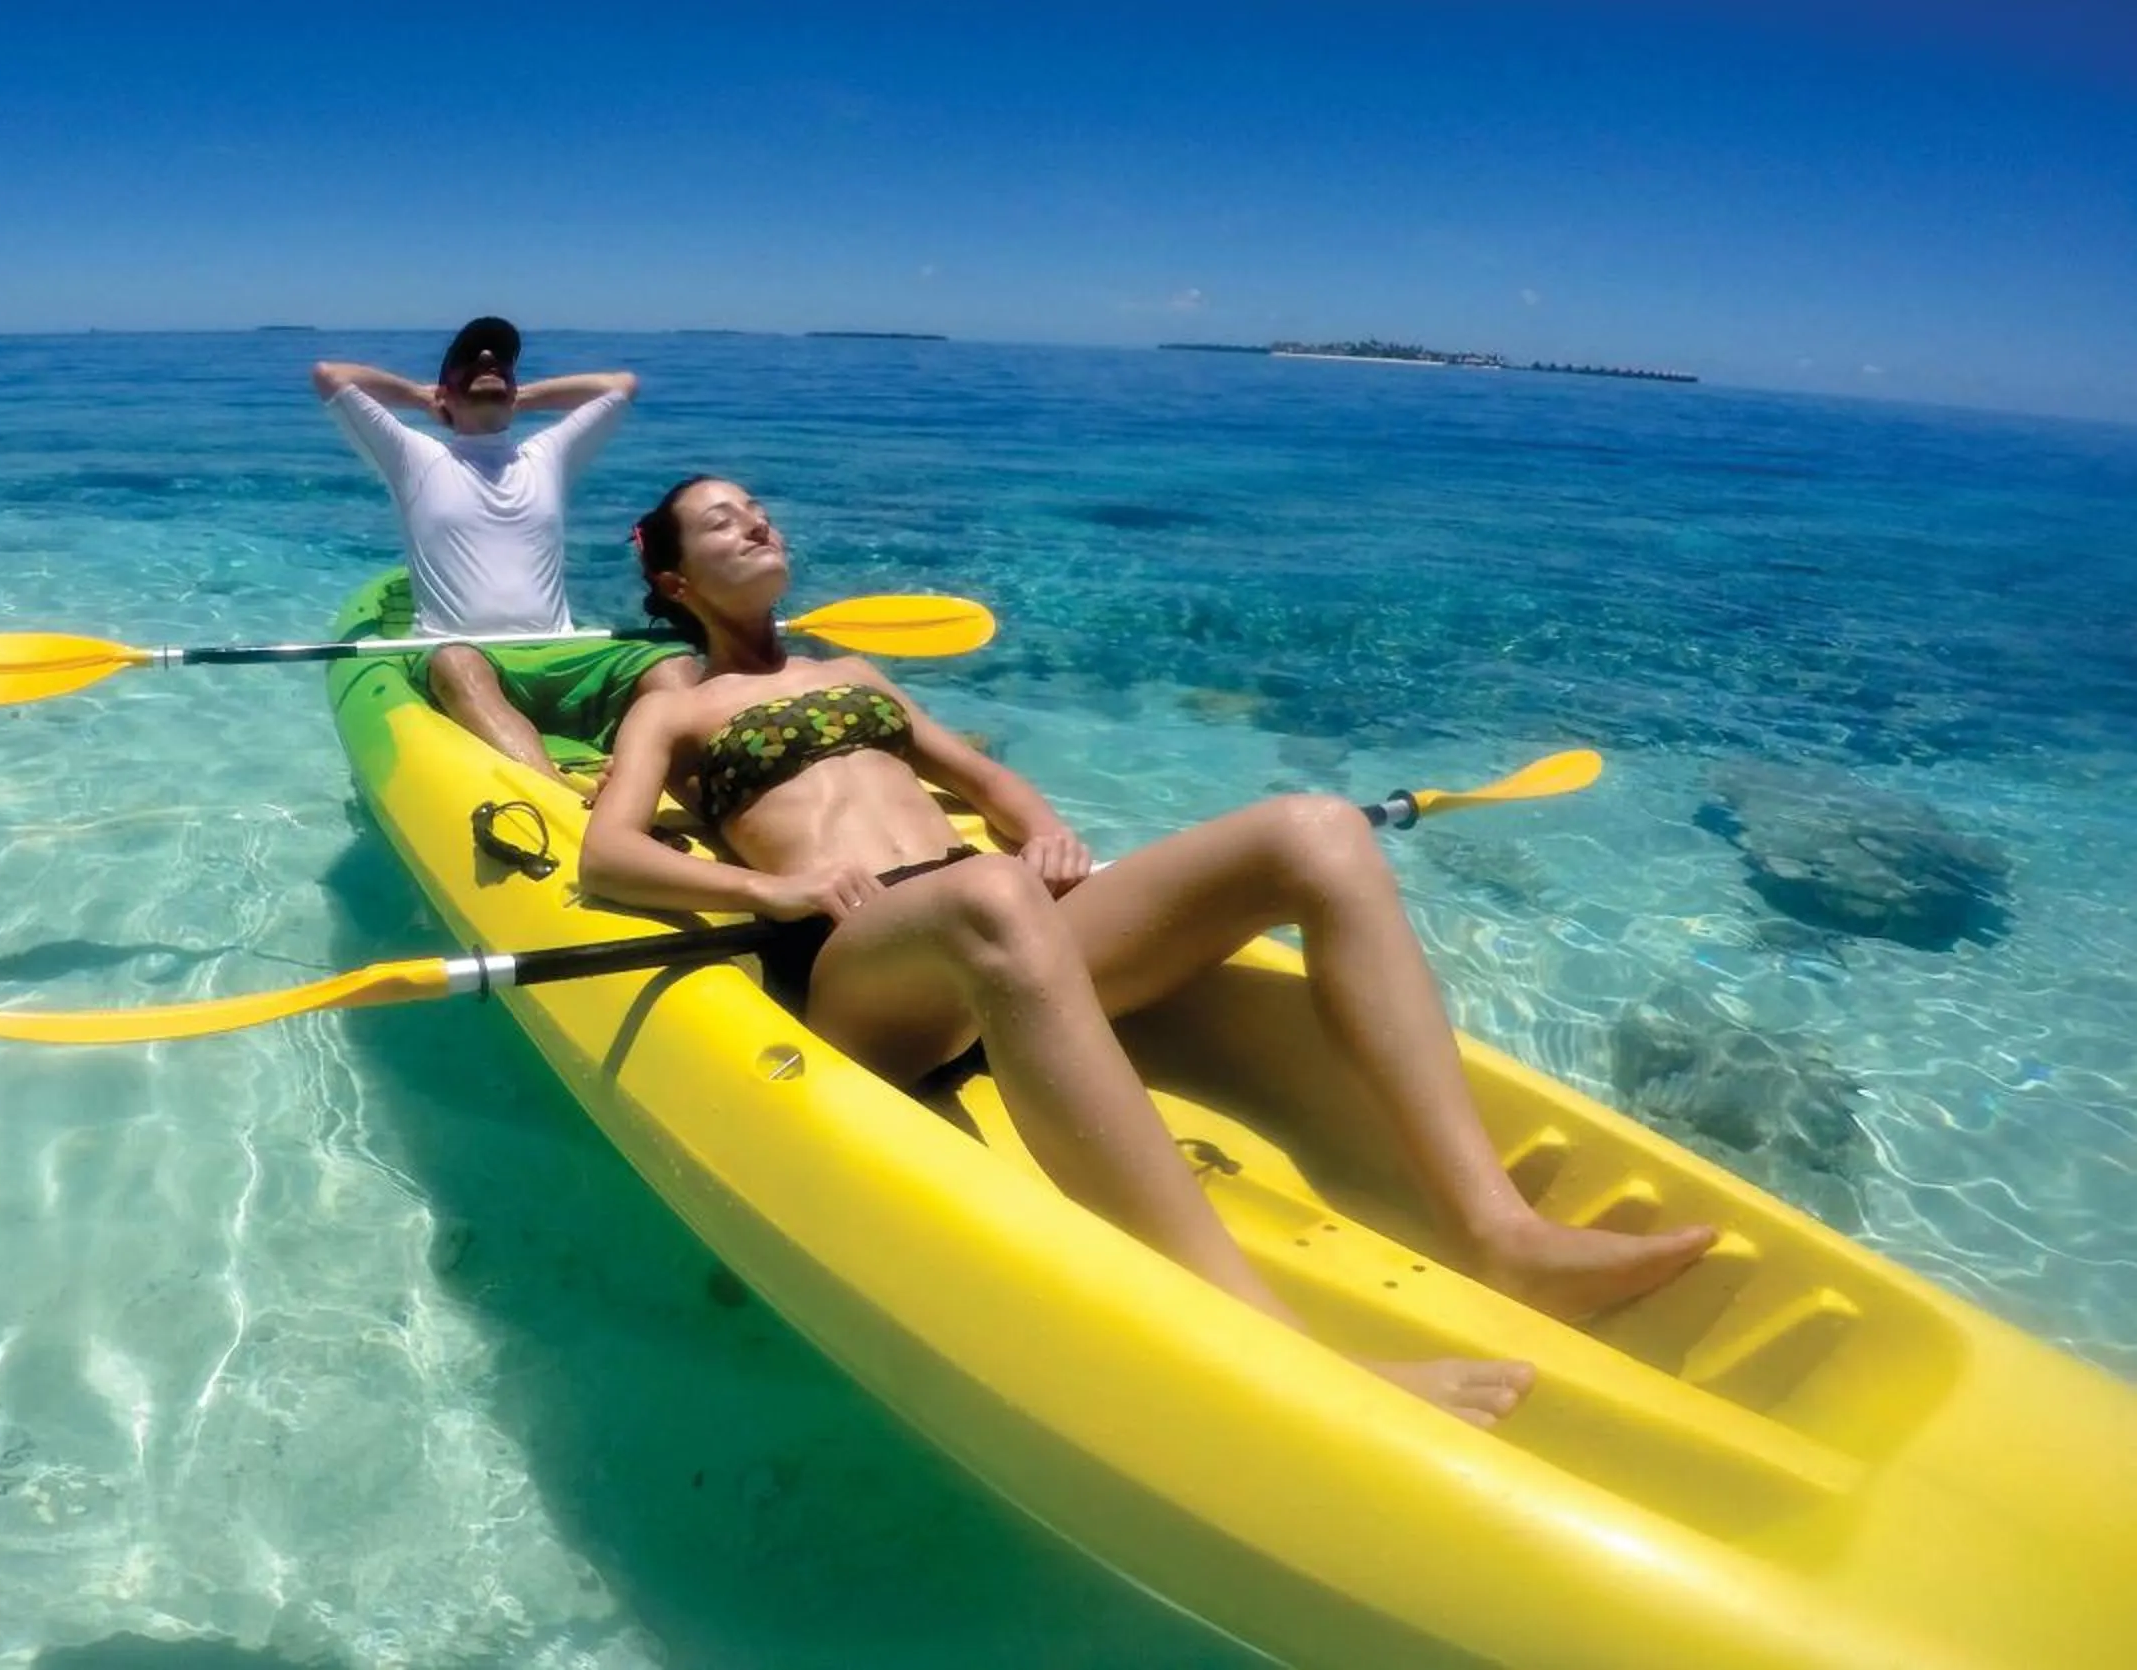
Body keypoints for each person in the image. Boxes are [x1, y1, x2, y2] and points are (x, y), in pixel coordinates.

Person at [581, 475, 1717, 1427]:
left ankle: (1502, 1234)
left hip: (993, 925)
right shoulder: (673, 708)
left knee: (1314, 832)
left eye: (761, 510)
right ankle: (1268, 1346)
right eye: (724, 521)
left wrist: (1046, 831)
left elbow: (983, 784)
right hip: (862, 976)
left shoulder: (859, 675)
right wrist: (763, 881)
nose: (758, 524)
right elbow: (610, 855)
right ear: (675, 583)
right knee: (985, 897)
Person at [313, 317, 696, 775]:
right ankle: (554, 793)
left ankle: (675, 781)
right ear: (445, 392)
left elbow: (620, 385)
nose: (488, 360)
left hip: (565, 653)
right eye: (469, 358)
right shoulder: (415, 458)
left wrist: (516, 395)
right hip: (474, 663)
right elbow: (331, 376)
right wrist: (423, 396)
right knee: (456, 660)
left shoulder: (546, 456)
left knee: (675, 665)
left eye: (500, 361)